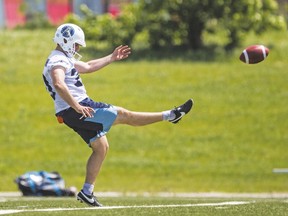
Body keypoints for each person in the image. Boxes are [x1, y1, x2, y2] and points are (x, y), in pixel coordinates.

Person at [42, 23, 193, 207]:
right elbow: (58, 83)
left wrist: (111, 57)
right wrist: (77, 106)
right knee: (124, 115)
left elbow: (88, 66)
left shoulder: (62, 58)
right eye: (76, 45)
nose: (78, 48)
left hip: (70, 112)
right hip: (78, 108)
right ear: (65, 41)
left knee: (101, 147)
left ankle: (87, 192)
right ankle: (171, 115)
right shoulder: (57, 61)